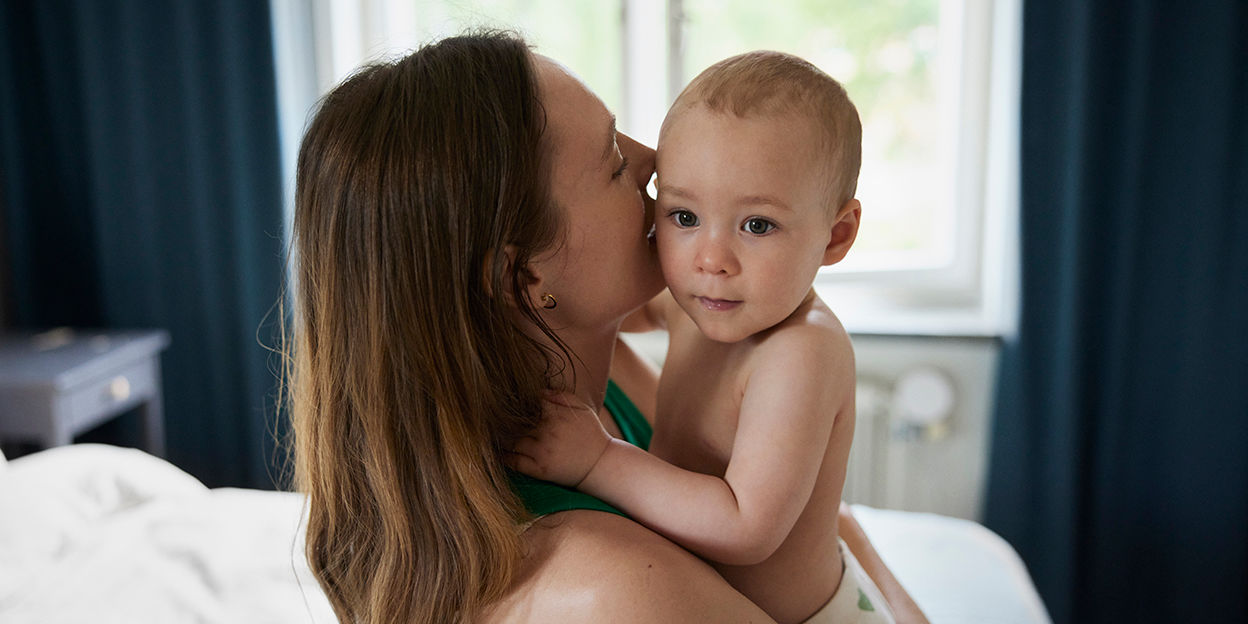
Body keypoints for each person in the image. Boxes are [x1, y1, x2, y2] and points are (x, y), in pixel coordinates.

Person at [288, 31, 924, 624]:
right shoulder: (623, 591)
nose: (657, 162)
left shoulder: (593, 368)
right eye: (615, 161)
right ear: (521, 281)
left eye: (756, 222)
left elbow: (798, 508)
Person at [511, 51, 917, 624]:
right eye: (683, 216)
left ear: (836, 235)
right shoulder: (702, 304)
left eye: (757, 225)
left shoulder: (800, 351)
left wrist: (599, 459)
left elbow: (744, 526)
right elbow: (585, 299)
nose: (710, 260)